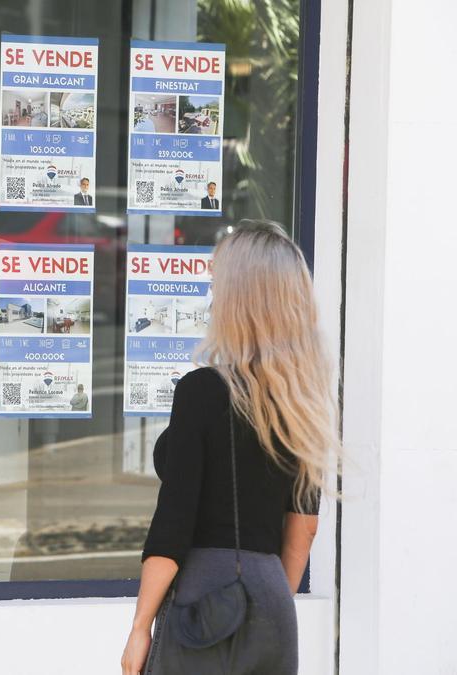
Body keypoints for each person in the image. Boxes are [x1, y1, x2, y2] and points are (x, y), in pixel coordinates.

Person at [121, 221, 337, 675]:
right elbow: (305, 528)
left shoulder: (204, 391)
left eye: (218, 284)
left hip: (205, 599)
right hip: (273, 602)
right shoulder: (304, 401)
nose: (212, 297)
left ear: (241, 298)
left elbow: (173, 523)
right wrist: (266, 601)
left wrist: (140, 626)